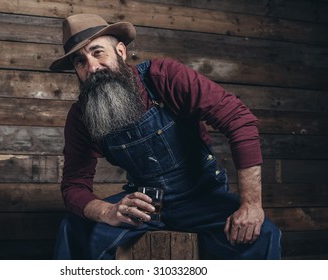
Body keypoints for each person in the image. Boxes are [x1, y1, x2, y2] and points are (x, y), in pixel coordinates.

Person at [49, 13, 281, 259]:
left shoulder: (163, 77)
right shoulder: (81, 116)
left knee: (264, 234)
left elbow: (238, 119)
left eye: (97, 53)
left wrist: (251, 205)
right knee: (73, 229)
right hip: (148, 205)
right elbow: (74, 185)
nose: (92, 67)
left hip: (201, 197)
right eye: (80, 62)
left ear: (120, 51)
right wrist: (107, 211)